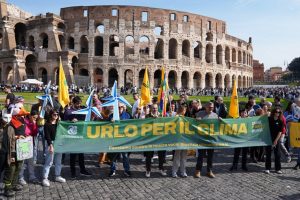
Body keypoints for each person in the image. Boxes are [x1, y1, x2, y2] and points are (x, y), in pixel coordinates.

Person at [64, 96, 92, 178]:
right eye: (77, 104)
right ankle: (73, 172)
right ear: (73, 103)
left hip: (81, 135)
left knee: (81, 154)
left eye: (80, 103)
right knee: (73, 155)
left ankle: (83, 170)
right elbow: (64, 122)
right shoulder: (68, 111)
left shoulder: (82, 110)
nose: (79, 105)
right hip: (73, 135)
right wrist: (70, 121)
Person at [42, 109, 66, 186]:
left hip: (59, 143)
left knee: (58, 161)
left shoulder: (59, 124)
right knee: (49, 162)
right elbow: (47, 136)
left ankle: (57, 175)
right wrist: (51, 146)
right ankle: (45, 178)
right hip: (51, 143)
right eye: (54, 114)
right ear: (51, 115)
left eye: (57, 115)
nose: (56, 116)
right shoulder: (47, 124)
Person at [108, 103, 132, 177]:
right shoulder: (111, 116)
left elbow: (133, 125)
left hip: (124, 140)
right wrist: (110, 122)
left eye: (121, 107)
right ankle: (112, 170)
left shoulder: (127, 115)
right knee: (113, 156)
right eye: (118, 107)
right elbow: (106, 127)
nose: (120, 108)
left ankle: (127, 170)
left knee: (125, 156)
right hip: (115, 140)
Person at [195, 102, 218, 178]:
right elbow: (194, 122)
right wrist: (196, 119)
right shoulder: (200, 113)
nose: (211, 108)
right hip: (202, 138)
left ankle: (209, 171)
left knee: (210, 156)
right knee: (200, 156)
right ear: (206, 107)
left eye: (212, 107)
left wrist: (220, 120)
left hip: (211, 139)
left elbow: (218, 126)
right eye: (209, 107)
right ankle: (198, 171)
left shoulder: (215, 115)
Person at [145, 103, 167, 178]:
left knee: (161, 155)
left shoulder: (161, 116)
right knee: (149, 155)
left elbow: (166, 125)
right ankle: (148, 170)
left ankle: (161, 168)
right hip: (150, 139)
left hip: (160, 139)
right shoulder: (147, 116)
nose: (155, 109)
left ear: (158, 109)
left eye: (156, 108)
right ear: (151, 109)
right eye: (153, 108)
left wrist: (159, 119)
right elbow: (145, 126)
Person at [18, 110, 39, 185]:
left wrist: (34, 124)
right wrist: (26, 135)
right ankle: (20, 177)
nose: (34, 119)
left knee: (31, 161)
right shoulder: (24, 122)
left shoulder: (34, 122)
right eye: (33, 117)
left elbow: (35, 132)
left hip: (30, 143)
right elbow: (23, 131)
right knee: (23, 161)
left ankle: (32, 176)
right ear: (30, 116)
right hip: (24, 143)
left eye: (36, 118)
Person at [264, 108, 283, 174]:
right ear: (274, 112)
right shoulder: (269, 119)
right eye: (277, 112)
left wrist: (276, 141)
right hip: (268, 138)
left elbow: (280, 132)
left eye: (279, 112)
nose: (278, 113)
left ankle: (278, 169)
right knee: (268, 154)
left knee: (277, 154)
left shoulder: (280, 121)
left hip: (276, 139)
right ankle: (267, 168)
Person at [172, 105, 188, 178]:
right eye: (183, 110)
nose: (184, 111)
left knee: (183, 157)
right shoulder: (175, 117)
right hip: (178, 140)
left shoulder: (185, 118)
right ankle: (174, 172)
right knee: (177, 156)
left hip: (185, 140)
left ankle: (183, 171)